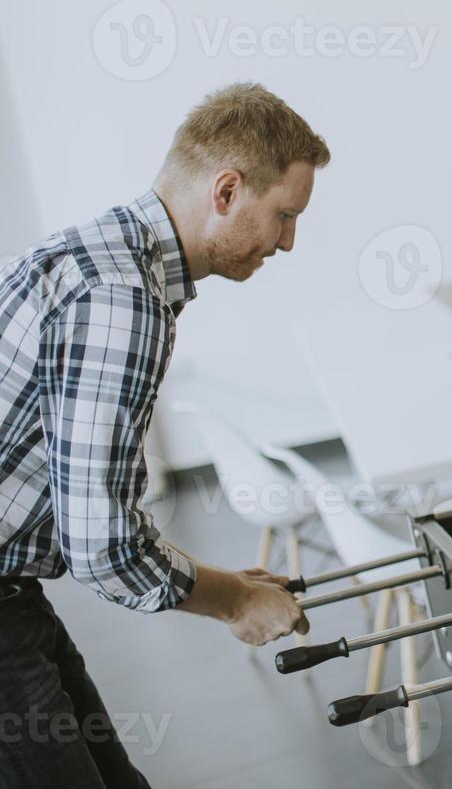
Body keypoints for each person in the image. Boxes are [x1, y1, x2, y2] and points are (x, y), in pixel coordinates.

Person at [0, 82, 330, 787]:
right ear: (227, 190)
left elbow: (79, 503)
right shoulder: (123, 301)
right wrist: (234, 602)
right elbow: (100, 544)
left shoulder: (101, 257)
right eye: (284, 216)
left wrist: (225, 579)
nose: (289, 242)